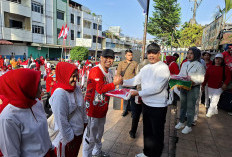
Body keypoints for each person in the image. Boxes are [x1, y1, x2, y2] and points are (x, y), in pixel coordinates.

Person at [123, 43, 170, 157]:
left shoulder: (163, 67)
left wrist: (138, 93)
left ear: (159, 54)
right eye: (149, 53)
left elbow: (158, 88)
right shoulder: (145, 68)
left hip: (158, 106)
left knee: (157, 133)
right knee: (147, 131)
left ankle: (156, 154)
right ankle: (147, 153)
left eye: (154, 53)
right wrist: (122, 82)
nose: (151, 55)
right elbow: (135, 80)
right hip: (146, 104)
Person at [0, 69, 55, 157]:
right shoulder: (8, 118)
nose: (41, 88)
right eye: (37, 84)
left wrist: (51, 148)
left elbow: (44, 133)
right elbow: (11, 154)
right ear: (26, 86)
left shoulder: (36, 103)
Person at [82, 49, 122, 157]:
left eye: (111, 58)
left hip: (102, 108)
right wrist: (114, 84)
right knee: (90, 137)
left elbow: (108, 89)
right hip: (93, 110)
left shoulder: (109, 72)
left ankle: (97, 152)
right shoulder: (96, 70)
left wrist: (119, 91)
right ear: (101, 58)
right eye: (106, 57)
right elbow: (99, 89)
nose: (109, 60)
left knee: (99, 134)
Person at [49, 62, 87, 157]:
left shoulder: (76, 89)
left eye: (76, 76)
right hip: (67, 139)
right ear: (64, 75)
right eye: (72, 76)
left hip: (78, 134)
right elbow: (62, 120)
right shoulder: (60, 94)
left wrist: (85, 124)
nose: (75, 79)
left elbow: (82, 108)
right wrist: (70, 138)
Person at [175, 47, 205, 134]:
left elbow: (201, 79)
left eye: (191, 53)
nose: (189, 55)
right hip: (184, 87)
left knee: (190, 107)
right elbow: (181, 74)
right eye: (188, 53)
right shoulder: (184, 64)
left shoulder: (199, 65)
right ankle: (181, 122)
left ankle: (188, 125)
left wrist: (193, 81)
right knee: (183, 105)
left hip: (193, 88)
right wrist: (178, 83)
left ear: (196, 55)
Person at [202, 53, 231, 117]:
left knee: (214, 99)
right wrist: (203, 85)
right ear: (214, 59)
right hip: (210, 85)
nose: (218, 60)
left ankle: (209, 112)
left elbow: (229, 77)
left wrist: (225, 84)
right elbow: (206, 77)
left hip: (219, 86)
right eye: (216, 59)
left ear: (222, 60)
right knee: (211, 98)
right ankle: (215, 110)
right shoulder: (210, 67)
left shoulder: (225, 68)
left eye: (220, 59)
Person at [117, 49, 138, 117]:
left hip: (132, 84)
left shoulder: (135, 63)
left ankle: (133, 112)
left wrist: (137, 83)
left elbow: (137, 74)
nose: (130, 56)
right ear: (125, 55)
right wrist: (117, 84)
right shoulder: (121, 63)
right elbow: (118, 73)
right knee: (125, 98)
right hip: (123, 83)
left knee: (132, 99)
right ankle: (125, 110)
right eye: (129, 55)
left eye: (131, 55)